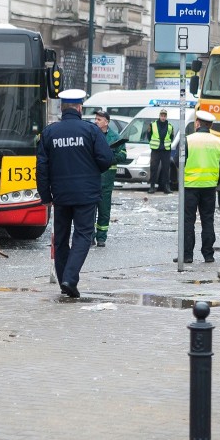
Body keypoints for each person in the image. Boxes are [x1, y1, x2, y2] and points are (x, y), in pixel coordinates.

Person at [36, 89, 113, 298]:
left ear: (62, 108)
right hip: (86, 195)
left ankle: (64, 282)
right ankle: (70, 278)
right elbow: (106, 159)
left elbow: (41, 168)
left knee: (61, 239)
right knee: (82, 235)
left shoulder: (50, 132)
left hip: (60, 195)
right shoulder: (91, 131)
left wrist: (45, 196)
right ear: (80, 108)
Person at [176, 110, 220, 263]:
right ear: (210, 125)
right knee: (208, 220)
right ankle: (208, 255)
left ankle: (187, 255)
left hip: (190, 186)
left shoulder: (188, 140)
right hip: (209, 188)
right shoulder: (218, 142)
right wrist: (215, 181)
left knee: (188, 221)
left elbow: (176, 160)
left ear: (197, 123)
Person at [93, 110, 126, 247]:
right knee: (89, 211)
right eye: (96, 119)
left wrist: (108, 158)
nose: (96, 121)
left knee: (104, 210)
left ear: (106, 122)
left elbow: (123, 156)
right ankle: (89, 236)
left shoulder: (115, 138)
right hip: (92, 180)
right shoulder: (91, 134)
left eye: (99, 119)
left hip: (106, 180)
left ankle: (101, 238)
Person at [145, 109, 174, 194]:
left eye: (164, 116)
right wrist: (153, 143)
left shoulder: (170, 126)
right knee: (153, 168)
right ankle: (152, 186)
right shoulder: (153, 124)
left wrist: (166, 144)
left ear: (166, 116)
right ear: (159, 116)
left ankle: (166, 187)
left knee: (166, 169)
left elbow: (171, 137)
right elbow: (149, 135)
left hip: (166, 150)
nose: (163, 117)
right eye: (162, 115)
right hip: (155, 150)